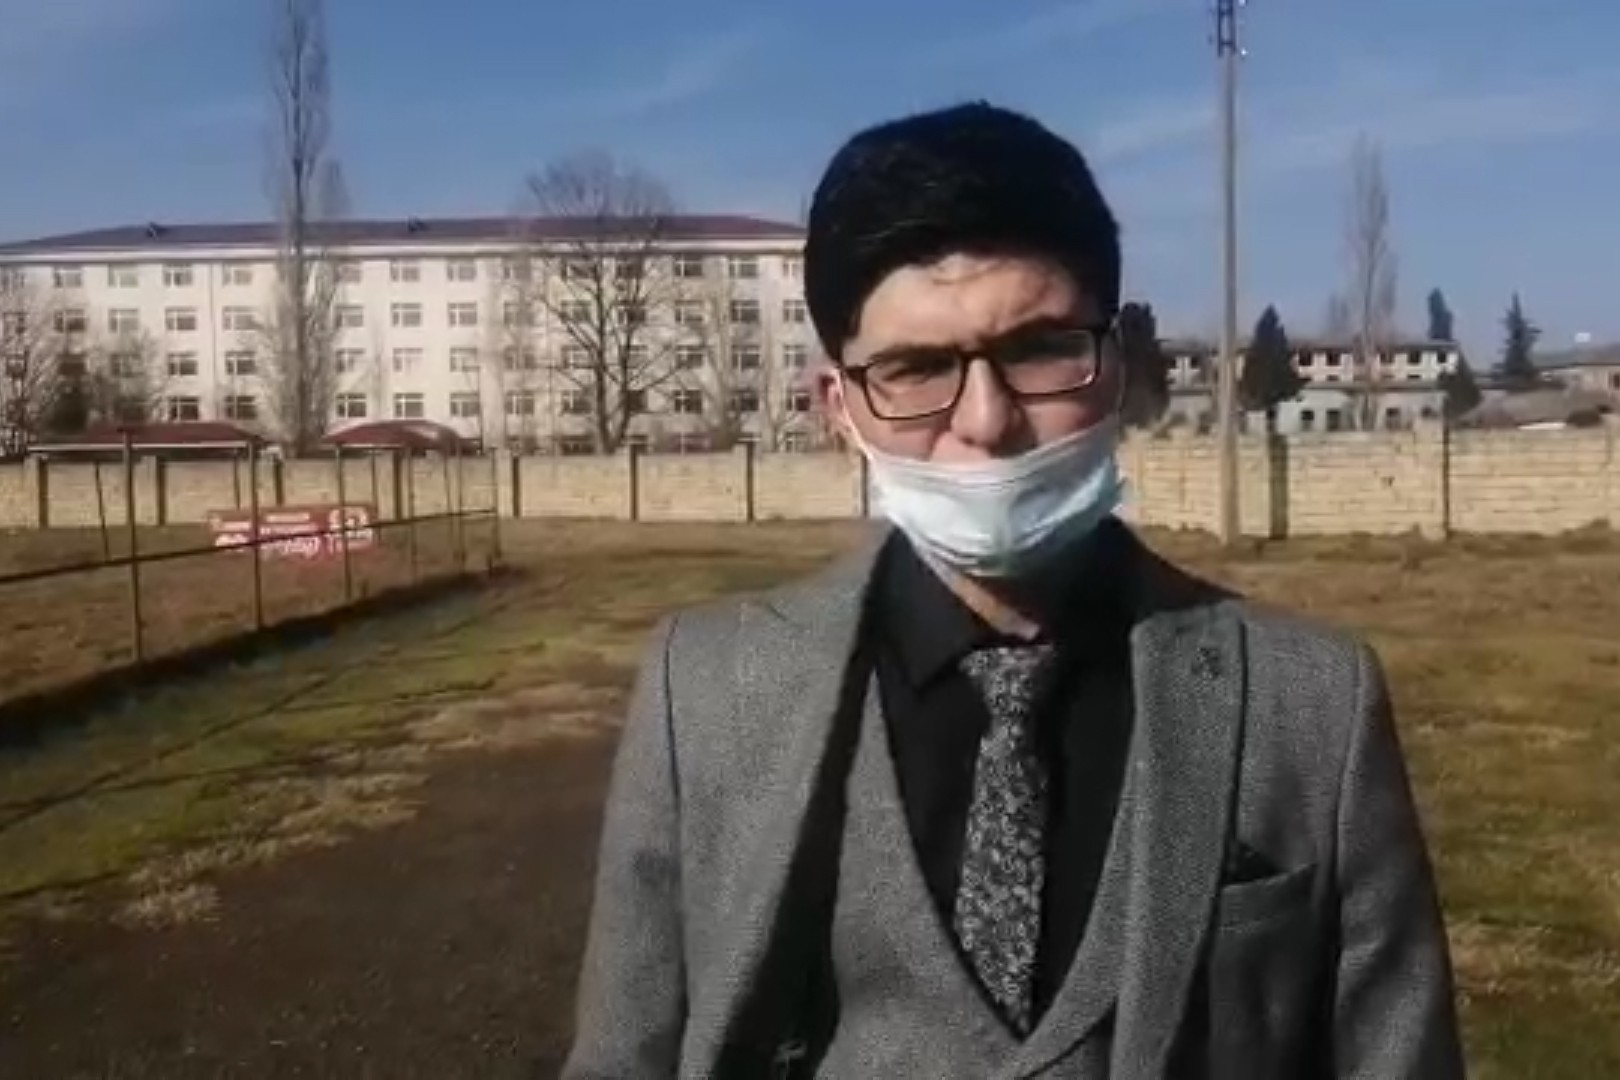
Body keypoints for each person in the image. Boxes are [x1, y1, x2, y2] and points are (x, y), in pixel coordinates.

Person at [562, 101, 1465, 1079]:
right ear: (840, 407)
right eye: (916, 368)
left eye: (1038, 349)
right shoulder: (700, 695)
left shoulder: (1313, 706)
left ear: (1115, 361)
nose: (986, 420)